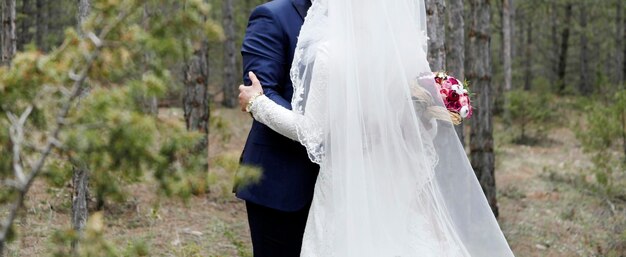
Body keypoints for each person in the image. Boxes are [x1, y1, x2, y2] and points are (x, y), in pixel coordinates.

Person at [239, 0, 516, 256]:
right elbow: (425, 131)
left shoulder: (333, 52)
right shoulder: (407, 51)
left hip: (352, 185)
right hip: (365, 184)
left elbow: (313, 131)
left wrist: (257, 104)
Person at [233, 0, 318, 257]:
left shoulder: (352, 23)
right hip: (282, 178)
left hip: (341, 181)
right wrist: (318, 129)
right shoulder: (272, 15)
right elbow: (262, 89)